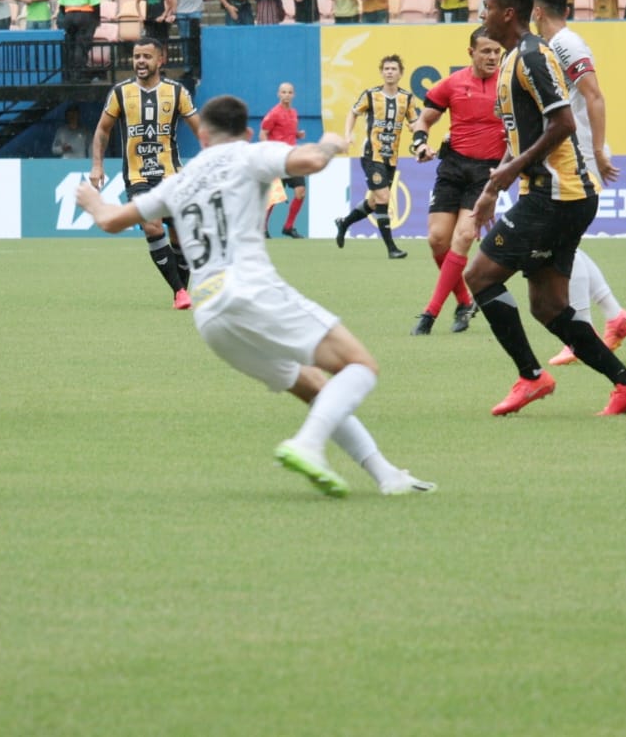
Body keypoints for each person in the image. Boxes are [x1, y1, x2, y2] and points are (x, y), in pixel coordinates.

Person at [76, 95, 435, 498]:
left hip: (210, 315)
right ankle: (308, 445)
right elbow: (312, 161)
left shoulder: (181, 179)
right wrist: (333, 142)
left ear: (204, 136)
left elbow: (109, 220)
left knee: (315, 387)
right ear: (246, 132)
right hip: (249, 288)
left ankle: (387, 475)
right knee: (361, 366)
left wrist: (92, 201)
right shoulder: (250, 154)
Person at [462, 0, 626, 418]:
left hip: (558, 193)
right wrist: (495, 186)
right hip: (552, 193)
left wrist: (508, 173)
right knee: (548, 306)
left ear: (508, 13)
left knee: (481, 278)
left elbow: (564, 123)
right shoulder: (514, 59)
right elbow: (523, 136)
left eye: (487, 6)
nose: (482, 13)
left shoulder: (533, 55)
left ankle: (531, 378)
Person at [531, 0, 626, 366]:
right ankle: (615, 316)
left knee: (562, 242)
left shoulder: (568, 45)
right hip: (568, 154)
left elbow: (594, 95)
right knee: (565, 241)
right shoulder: (555, 46)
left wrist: (597, 151)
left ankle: (582, 332)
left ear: (539, 11)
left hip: (579, 155)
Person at [90, 38, 202, 309]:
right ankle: (179, 291)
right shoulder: (120, 92)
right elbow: (103, 129)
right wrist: (97, 165)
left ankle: (181, 290)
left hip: (172, 175)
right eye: (136, 56)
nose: (140, 61)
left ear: (159, 60)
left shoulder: (177, 93)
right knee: (152, 226)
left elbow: (201, 130)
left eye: (146, 56)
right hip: (138, 176)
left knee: (179, 236)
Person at [408, 28, 506, 336]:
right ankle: (464, 301)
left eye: (496, 52)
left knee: (463, 237)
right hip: (452, 168)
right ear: (471, 53)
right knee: (437, 239)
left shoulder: (509, 85)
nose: (492, 57)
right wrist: (421, 144)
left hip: (487, 174)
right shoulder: (452, 84)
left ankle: (429, 314)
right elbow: (423, 120)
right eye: (486, 51)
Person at [335, 55, 420, 260]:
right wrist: (348, 134)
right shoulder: (371, 95)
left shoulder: (407, 98)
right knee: (383, 198)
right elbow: (353, 113)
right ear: (382, 72)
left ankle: (344, 223)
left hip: (391, 157)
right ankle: (392, 248)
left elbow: (416, 122)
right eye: (386, 69)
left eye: (393, 69)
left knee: (373, 202)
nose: (389, 72)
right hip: (371, 154)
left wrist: (416, 132)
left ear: (400, 73)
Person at [260, 82, 307, 238]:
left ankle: (288, 226)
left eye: (289, 92)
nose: (286, 95)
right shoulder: (273, 113)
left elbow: (288, 132)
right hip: (277, 160)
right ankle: (263, 228)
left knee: (300, 192)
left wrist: (297, 134)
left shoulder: (293, 112)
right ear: (278, 94)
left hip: (292, 158)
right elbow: (263, 133)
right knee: (273, 197)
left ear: (293, 95)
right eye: (284, 92)